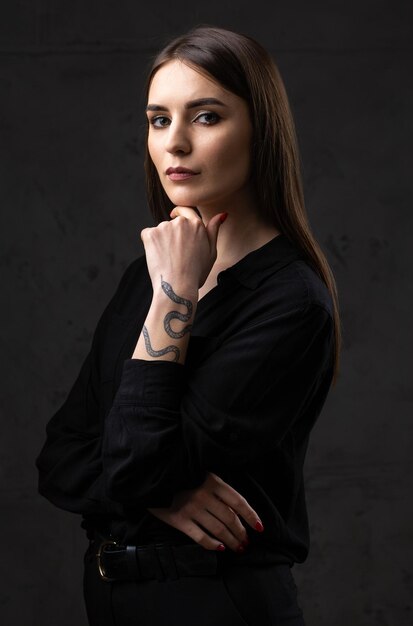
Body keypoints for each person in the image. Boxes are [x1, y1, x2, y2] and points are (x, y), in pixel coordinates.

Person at [36, 25, 340, 626]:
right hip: (113, 598)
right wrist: (167, 494)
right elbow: (60, 457)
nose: (174, 143)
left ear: (261, 131)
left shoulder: (290, 301)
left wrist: (175, 293)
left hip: (213, 601)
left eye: (204, 117)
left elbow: (134, 465)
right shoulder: (141, 274)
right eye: (157, 119)